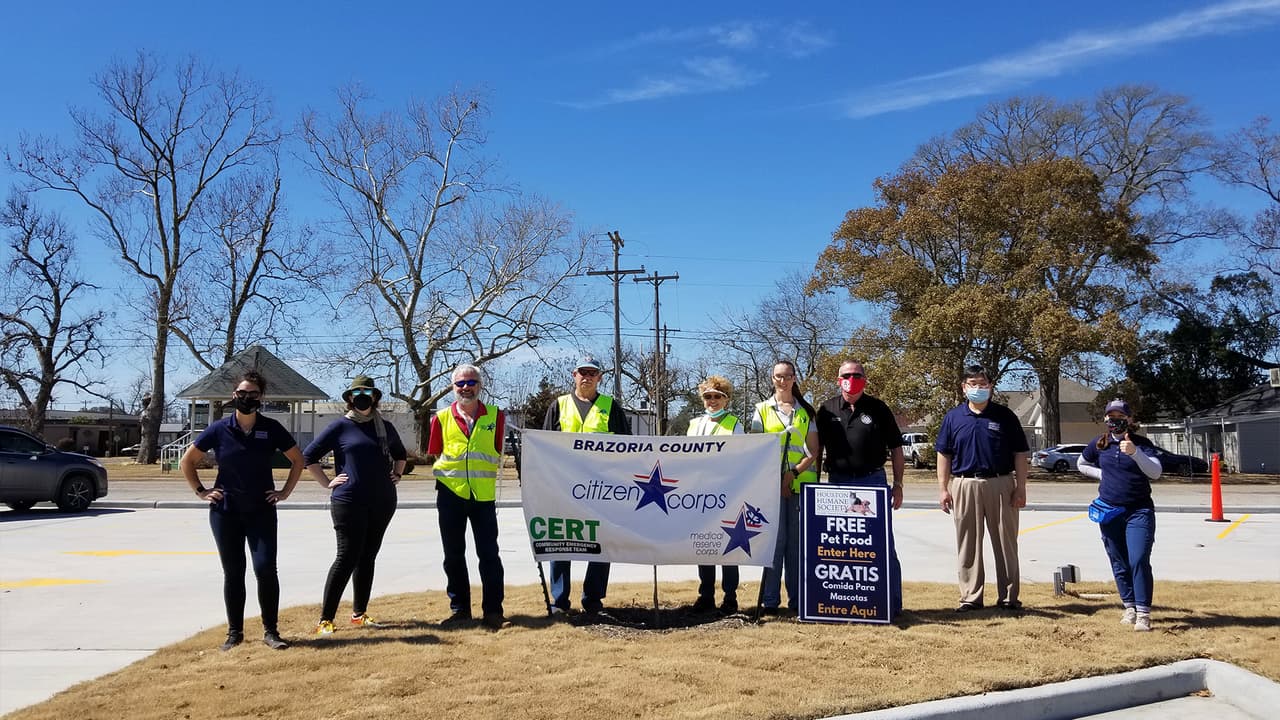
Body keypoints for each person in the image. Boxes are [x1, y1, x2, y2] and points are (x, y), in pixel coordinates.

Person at [180, 370, 305, 651]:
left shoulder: (271, 428)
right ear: (233, 396)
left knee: (265, 569)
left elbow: (298, 460)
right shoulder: (219, 429)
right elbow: (187, 462)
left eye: (253, 394)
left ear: (261, 397)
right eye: (242, 394)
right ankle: (234, 633)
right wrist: (202, 491)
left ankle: (271, 632)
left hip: (261, 511)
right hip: (226, 513)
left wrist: (284, 492)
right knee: (233, 572)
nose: (247, 398)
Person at [304, 375, 407, 636]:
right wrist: (327, 482)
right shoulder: (340, 427)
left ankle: (359, 614)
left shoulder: (385, 426)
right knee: (346, 557)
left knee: (368, 557)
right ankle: (325, 619)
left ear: (375, 397)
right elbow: (309, 456)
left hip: (382, 501)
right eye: (357, 392)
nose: (362, 396)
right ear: (350, 398)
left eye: (367, 392)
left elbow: (400, 455)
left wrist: (397, 473)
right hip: (349, 501)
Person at [541, 355, 631, 616]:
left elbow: (627, 448)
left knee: (600, 543)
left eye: (593, 373)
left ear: (600, 378)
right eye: (583, 372)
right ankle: (559, 602)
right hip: (564, 487)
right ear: (574, 375)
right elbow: (544, 446)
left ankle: (593, 600)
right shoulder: (558, 406)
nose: (587, 377)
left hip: (602, 490)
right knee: (561, 541)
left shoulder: (610, 407)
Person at [935, 365, 1029, 612]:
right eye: (973, 384)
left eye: (983, 383)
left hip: (1000, 483)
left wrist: (1021, 487)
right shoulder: (953, 417)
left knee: (1006, 543)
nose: (978, 388)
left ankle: (1009, 597)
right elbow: (943, 454)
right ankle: (970, 597)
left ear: (991, 386)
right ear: (964, 387)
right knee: (968, 544)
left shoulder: (1005, 416)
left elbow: (1020, 453)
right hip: (964, 484)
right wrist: (943, 489)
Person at [815, 359, 906, 616]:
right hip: (838, 484)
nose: (851, 378)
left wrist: (898, 484)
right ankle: (842, 601)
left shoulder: (878, 408)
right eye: (846, 374)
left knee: (881, 544)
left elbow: (897, 448)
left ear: (864, 379)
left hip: (872, 482)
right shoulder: (827, 409)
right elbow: (816, 450)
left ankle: (892, 603)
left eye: (857, 375)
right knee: (840, 544)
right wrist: (815, 485)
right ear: (838, 379)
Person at [426, 363, 508, 630]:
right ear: (453, 387)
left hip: (483, 497)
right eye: (460, 383)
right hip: (450, 496)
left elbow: (497, 451)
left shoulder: (496, 417)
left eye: (471, 382)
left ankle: (494, 611)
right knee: (453, 555)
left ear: (480, 385)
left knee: (489, 555)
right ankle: (460, 610)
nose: (465, 388)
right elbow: (436, 453)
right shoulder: (439, 418)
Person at [1076, 399, 1161, 632]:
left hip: (1138, 510)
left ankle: (1143, 612)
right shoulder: (1099, 444)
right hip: (1109, 510)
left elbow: (1155, 472)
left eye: (1121, 416)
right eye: (1111, 416)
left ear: (1130, 419)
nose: (1115, 421)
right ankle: (1129, 606)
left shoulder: (1142, 444)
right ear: (1105, 419)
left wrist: (1135, 454)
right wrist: (1103, 475)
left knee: (1138, 558)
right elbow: (1081, 464)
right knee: (1119, 561)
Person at [751, 360, 819, 616]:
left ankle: (797, 599)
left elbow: (812, 451)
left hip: (800, 486)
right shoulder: (761, 410)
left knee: (795, 546)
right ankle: (770, 600)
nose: (783, 380)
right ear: (772, 379)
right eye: (778, 376)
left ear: (794, 378)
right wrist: (778, 480)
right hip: (771, 487)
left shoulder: (805, 412)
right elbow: (757, 448)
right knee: (774, 544)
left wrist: (792, 474)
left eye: (787, 376)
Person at [687, 375, 744, 614]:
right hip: (700, 494)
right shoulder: (694, 424)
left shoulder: (735, 424)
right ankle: (706, 595)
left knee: (729, 546)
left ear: (726, 399)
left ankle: (730, 597)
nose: (712, 401)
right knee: (705, 546)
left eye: (717, 397)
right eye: (708, 396)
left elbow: (742, 459)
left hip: (727, 493)